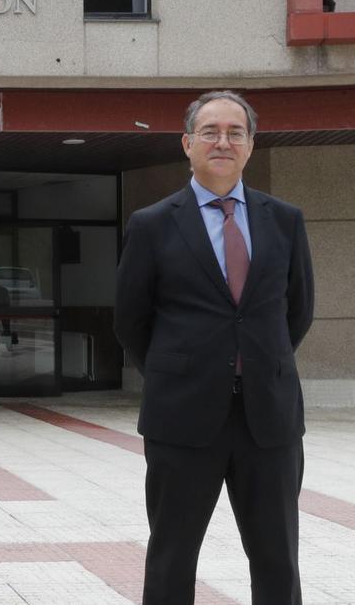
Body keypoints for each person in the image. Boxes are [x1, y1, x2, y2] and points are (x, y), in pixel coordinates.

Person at [114, 90, 314, 604]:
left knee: (277, 559)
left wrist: (253, 363)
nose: (222, 141)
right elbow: (131, 321)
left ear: (250, 145)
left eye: (235, 132)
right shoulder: (153, 223)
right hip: (181, 420)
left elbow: (297, 311)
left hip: (268, 420)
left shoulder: (285, 220)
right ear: (187, 143)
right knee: (172, 557)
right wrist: (182, 371)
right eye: (210, 132)